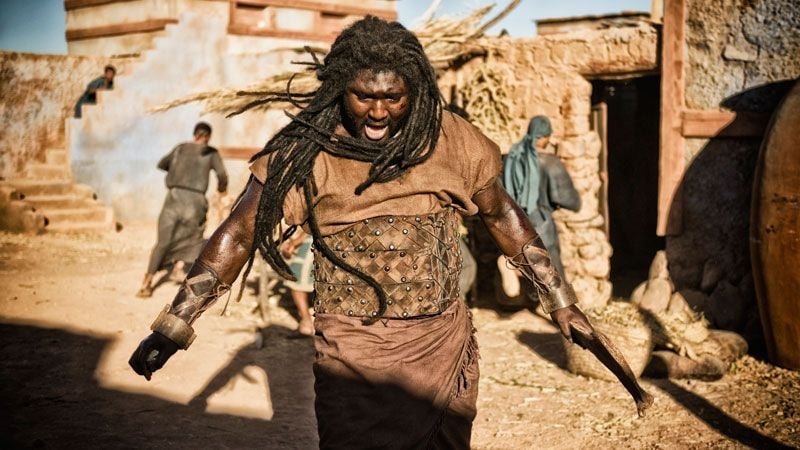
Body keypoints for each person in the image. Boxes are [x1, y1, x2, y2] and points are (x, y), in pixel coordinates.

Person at [128, 17, 592, 448]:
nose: (378, 111)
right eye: (363, 96)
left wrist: (560, 300)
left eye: (394, 97)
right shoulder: (305, 151)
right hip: (353, 351)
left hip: (439, 345)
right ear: (338, 88)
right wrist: (176, 324)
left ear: (415, 90)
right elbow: (239, 233)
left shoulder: (451, 138)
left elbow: (502, 215)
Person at [136, 122, 228, 298]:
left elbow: (162, 164)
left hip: (173, 198)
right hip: (195, 201)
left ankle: (146, 284)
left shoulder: (180, 148)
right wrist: (222, 190)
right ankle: (179, 268)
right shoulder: (211, 152)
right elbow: (222, 175)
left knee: (162, 242)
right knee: (192, 239)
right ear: (208, 136)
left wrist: (178, 170)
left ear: (194, 134)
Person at [502, 115, 581, 278]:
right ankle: (554, 303)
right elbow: (567, 199)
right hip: (541, 224)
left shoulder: (512, 158)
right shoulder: (550, 163)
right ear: (545, 137)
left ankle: (519, 287)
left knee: (522, 262)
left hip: (513, 223)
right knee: (551, 273)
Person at [278, 228, 315, 337]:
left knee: (297, 281)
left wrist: (294, 242)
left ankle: (307, 324)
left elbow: (310, 226)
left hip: (313, 243)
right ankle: (308, 323)